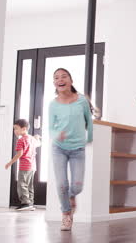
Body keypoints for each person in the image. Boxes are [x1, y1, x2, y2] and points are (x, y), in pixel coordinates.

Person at [49, 68, 93, 231]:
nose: (60, 79)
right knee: (61, 184)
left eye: (64, 76)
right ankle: (66, 214)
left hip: (78, 150)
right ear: (55, 83)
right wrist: (56, 134)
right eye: (56, 78)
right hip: (58, 148)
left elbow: (89, 121)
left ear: (71, 80)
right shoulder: (53, 104)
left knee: (77, 186)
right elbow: (50, 128)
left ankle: (71, 196)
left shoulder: (81, 101)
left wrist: (89, 139)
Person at [5, 119, 41, 211]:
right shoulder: (31, 139)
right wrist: (36, 137)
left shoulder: (21, 140)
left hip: (24, 166)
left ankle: (25, 203)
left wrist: (10, 162)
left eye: (16, 128)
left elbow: (19, 154)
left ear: (24, 129)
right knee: (29, 185)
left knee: (22, 184)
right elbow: (38, 143)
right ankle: (31, 203)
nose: (15, 131)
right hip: (32, 167)